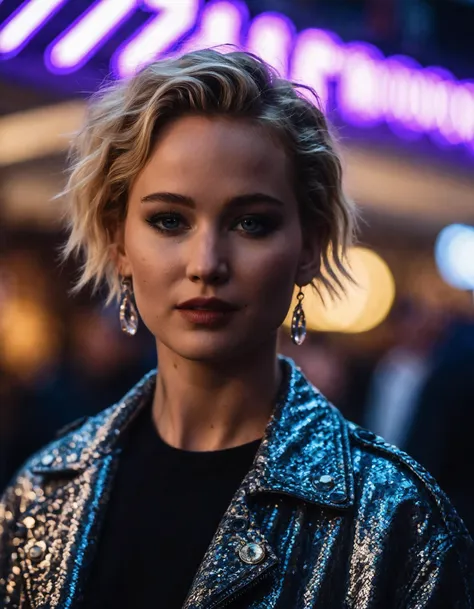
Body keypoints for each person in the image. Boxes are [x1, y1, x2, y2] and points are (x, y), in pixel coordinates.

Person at [0, 49, 472, 609]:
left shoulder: (398, 519)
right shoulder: (40, 493)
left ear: (309, 248)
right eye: (169, 220)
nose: (206, 262)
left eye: (252, 222)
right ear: (120, 243)